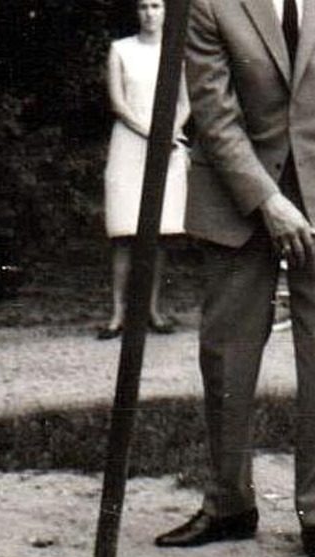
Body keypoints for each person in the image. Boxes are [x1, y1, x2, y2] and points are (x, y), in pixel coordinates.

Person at [156, 0, 315, 557]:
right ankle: (230, 503)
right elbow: (214, 115)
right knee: (227, 359)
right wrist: (267, 202)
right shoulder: (211, 4)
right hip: (239, 202)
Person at [100, 0, 190, 339]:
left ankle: (152, 309)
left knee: (158, 235)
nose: (149, 13)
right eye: (142, 7)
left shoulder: (177, 51)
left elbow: (186, 101)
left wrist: (168, 132)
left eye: (156, 6)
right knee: (125, 234)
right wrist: (152, 132)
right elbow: (118, 103)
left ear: (166, 11)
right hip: (130, 143)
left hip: (166, 147)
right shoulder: (120, 49)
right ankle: (118, 314)